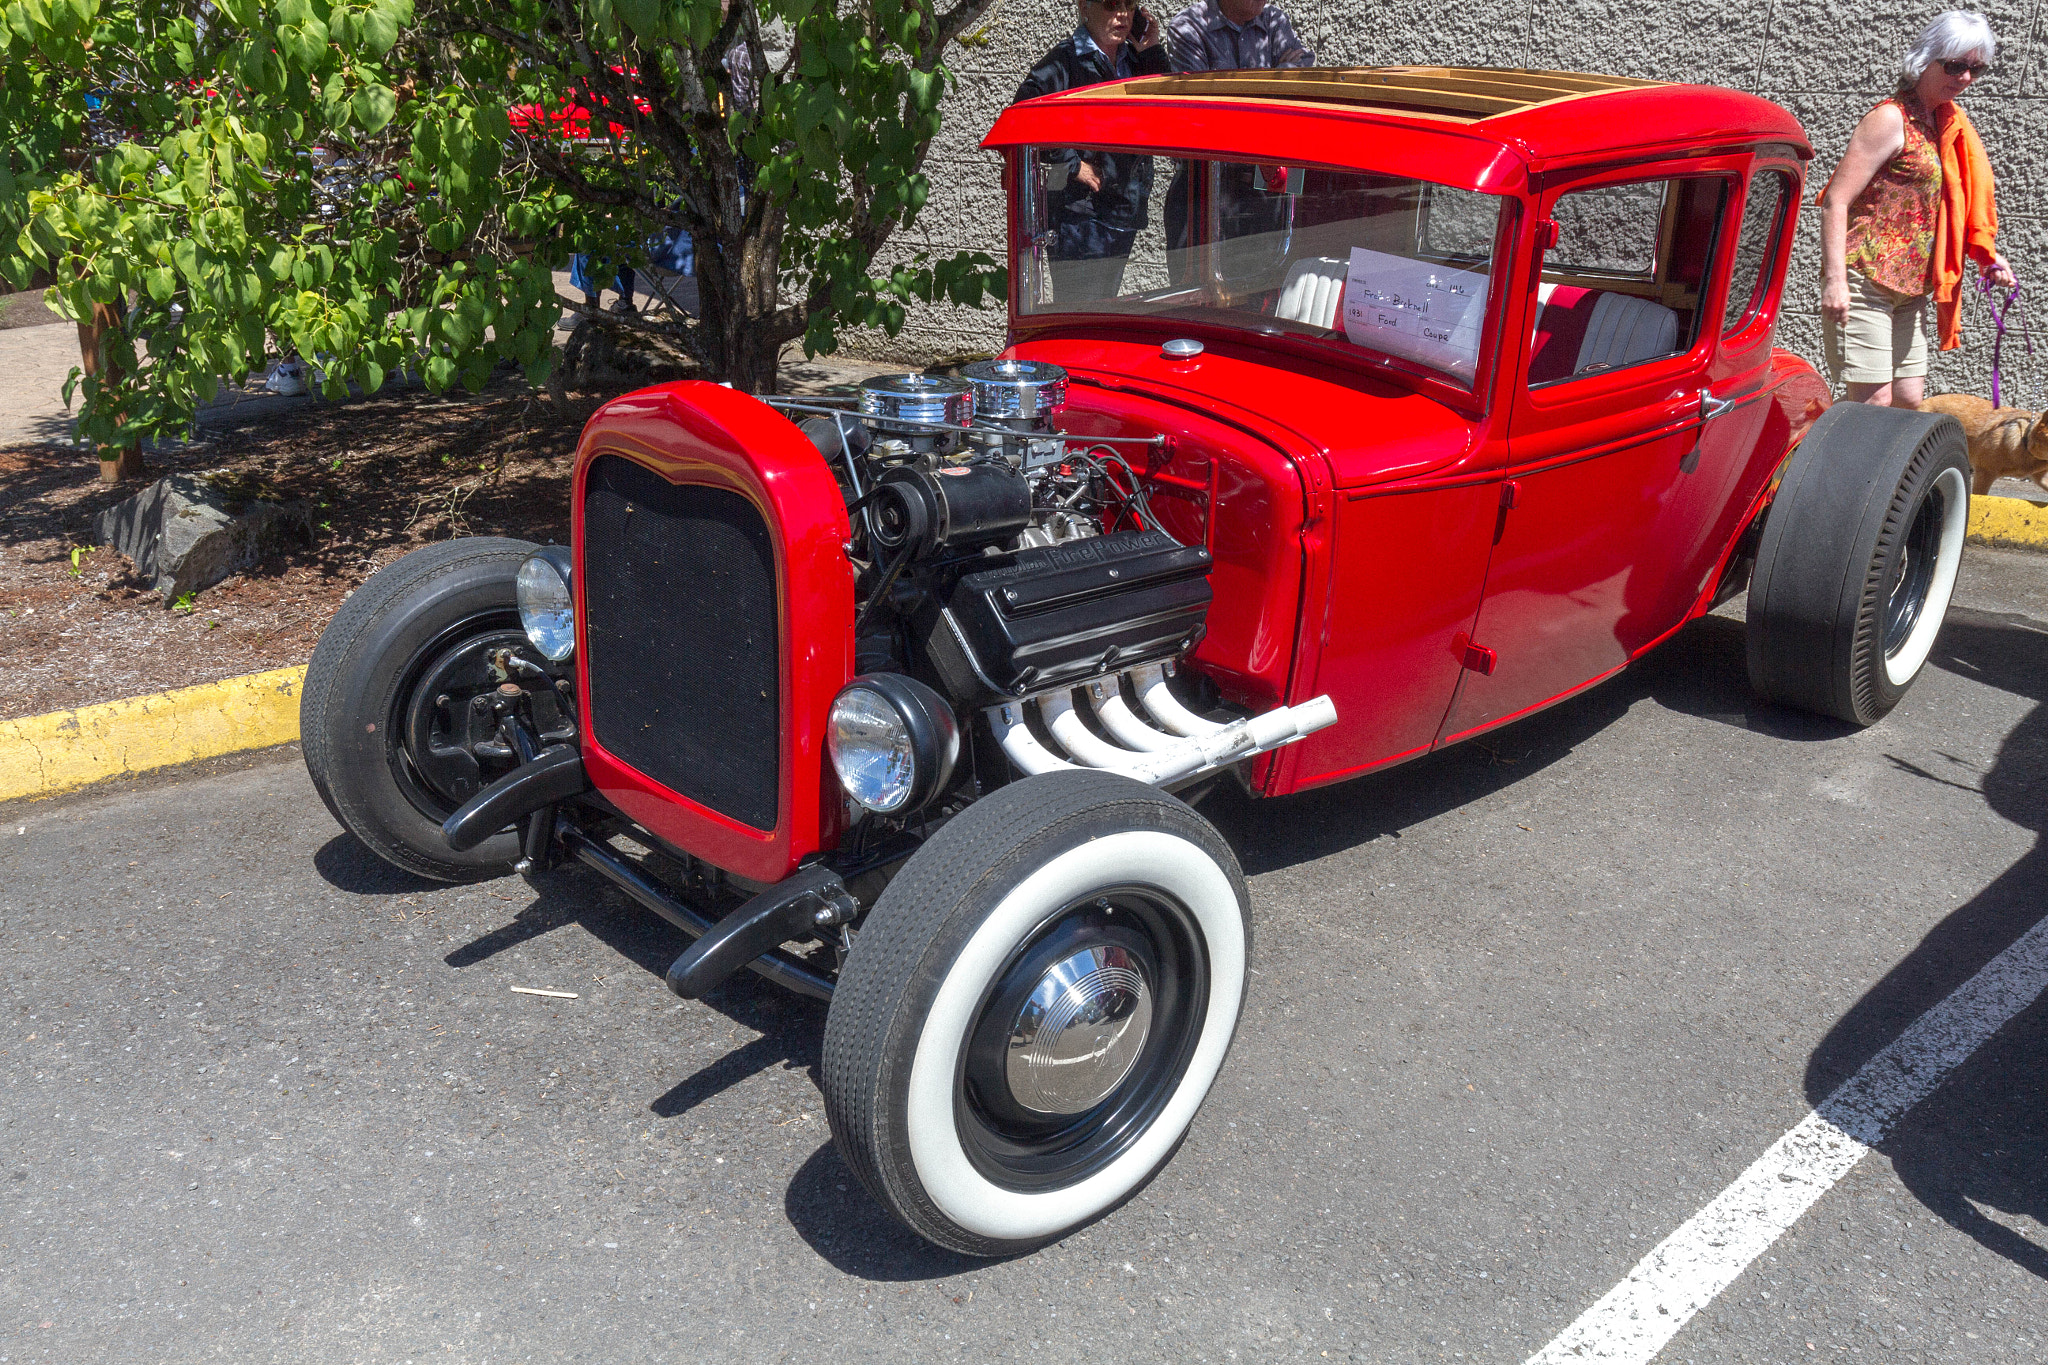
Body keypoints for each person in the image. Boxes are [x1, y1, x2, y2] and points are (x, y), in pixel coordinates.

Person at [1818, 10, 2014, 408]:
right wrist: (1834, 281)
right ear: (1926, 58)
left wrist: (1988, 257)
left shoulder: (1946, 125)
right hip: (1866, 282)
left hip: (1911, 289)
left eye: (1976, 69)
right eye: (1955, 65)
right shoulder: (1890, 119)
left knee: (1908, 401)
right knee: (1872, 405)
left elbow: (1949, 207)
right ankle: (1838, 468)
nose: (1965, 78)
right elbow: (1836, 200)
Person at [1014, 0, 1170, 300]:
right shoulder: (1066, 59)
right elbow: (1023, 113)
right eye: (1111, 5)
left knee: (1105, 307)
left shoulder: (1135, 58)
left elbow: (1168, 109)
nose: (1122, 14)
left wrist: (1151, 50)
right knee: (1080, 310)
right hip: (1080, 212)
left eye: (1129, 5)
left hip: (1124, 207)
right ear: (1085, 7)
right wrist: (1072, 164)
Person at [1161, 0, 1313, 269]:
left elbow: (1304, 81)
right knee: (1200, 300)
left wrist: (1242, 94)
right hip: (1209, 191)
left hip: (1267, 188)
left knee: (1264, 295)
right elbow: (1208, 113)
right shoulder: (1189, 27)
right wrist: (1277, 79)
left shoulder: (1273, 20)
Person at [1164, 0, 1312, 73]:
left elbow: (1305, 64)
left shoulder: (1273, 19)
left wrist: (1284, 70)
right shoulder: (1188, 29)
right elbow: (1200, 100)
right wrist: (1277, 75)